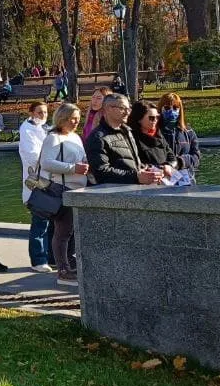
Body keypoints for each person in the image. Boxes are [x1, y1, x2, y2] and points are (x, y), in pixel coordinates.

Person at [38, 102, 89, 283]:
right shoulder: (53, 138)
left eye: (77, 118)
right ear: (62, 118)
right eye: (72, 118)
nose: (76, 122)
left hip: (78, 188)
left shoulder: (75, 137)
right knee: (63, 232)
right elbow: (47, 163)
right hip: (63, 189)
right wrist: (73, 168)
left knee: (72, 231)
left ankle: (70, 265)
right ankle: (62, 270)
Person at [86, 94, 162, 186]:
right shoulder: (98, 137)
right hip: (114, 195)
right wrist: (136, 177)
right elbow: (101, 172)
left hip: (132, 191)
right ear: (108, 109)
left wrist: (145, 169)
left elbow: (129, 161)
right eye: (122, 108)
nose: (127, 112)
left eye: (129, 109)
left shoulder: (127, 132)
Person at [18, 101, 54, 272]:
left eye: (45, 112)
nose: (43, 115)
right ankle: (38, 259)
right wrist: (52, 160)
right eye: (39, 112)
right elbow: (32, 155)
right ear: (31, 113)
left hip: (52, 180)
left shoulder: (46, 129)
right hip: (38, 181)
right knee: (40, 220)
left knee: (53, 221)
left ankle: (52, 256)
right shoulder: (27, 130)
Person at [129, 100, 180, 182]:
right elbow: (135, 163)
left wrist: (168, 165)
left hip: (166, 180)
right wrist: (159, 169)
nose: (155, 120)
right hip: (147, 181)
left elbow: (171, 156)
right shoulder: (132, 137)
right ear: (139, 119)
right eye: (151, 118)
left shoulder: (159, 134)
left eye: (157, 117)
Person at [156, 93, 201, 180]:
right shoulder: (156, 131)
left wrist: (180, 162)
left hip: (186, 179)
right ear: (160, 109)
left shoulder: (188, 132)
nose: (172, 111)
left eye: (175, 108)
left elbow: (196, 156)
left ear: (180, 110)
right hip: (162, 179)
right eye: (167, 108)